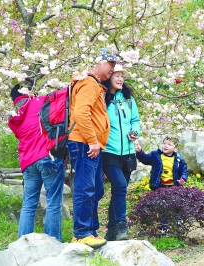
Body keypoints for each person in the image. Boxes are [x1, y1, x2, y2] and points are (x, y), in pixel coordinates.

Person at [67, 48, 116, 248]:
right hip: (85, 143)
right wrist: (92, 140)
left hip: (90, 143)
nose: (113, 69)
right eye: (110, 64)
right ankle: (81, 233)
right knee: (85, 187)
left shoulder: (95, 85)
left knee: (95, 188)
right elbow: (80, 113)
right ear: (99, 62)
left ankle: (91, 230)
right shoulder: (88, 83)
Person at [8, 84, 65, 242]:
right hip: (47, 156)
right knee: (53, 202)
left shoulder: (12, 115)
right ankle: (53, 244)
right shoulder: (40, 101)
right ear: (28, 91)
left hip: (28, 161)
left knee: (28, 204)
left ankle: (22, 245)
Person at [101, 64, 140, 241]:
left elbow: (135, 120)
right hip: (110, 151)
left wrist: (135, 132)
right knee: (120, 186)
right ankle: (122, 226)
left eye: (122, 76)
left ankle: (111, 230)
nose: (120, 79)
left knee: (119, 191)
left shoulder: (128, 98)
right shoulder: (102, 97)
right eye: (116, 75)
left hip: (129, 153)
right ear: (109, 77)